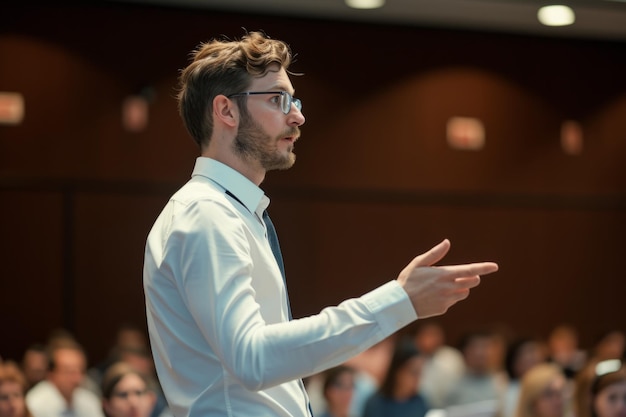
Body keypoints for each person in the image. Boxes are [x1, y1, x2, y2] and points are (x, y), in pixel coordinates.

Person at [142, 30, 499, 417]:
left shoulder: (235, 212)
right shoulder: (206, 213)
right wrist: (399, 301)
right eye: (278, 99)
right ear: (226, 111)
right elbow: (252, 359)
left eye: (293, 100)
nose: (297, 115)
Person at [25, 341, 104, 417]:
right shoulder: (34, 403)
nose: (77, 378)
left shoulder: (90, 401)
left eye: (81, 371)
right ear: (51, 374)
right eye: (69, 372)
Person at [362, 339, 430, 417]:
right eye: (414, 372)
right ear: (398, 372)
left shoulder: (420, 401)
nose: (418, 378)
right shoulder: (375, 404)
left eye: (420, 372)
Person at [413, 321, 466, 409]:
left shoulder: (452, 357)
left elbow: (463, 384)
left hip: (451, 406)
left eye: (436, 335)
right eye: (428, 335)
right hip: (420, 407)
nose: (433, 339)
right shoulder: (411, 360)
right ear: (417, 338)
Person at [502, 337, 548, 417]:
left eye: (533, 351)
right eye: (523, 354)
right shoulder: (511, 393)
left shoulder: (552, 385)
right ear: (513, 364)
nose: (531, 357)